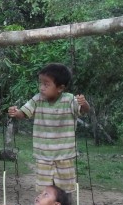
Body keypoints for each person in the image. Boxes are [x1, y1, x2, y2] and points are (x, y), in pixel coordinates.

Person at [8, 63, 90, 195]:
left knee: (65, 191)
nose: (41, 88)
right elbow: (24, 113)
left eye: (46, 84)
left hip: (65, 155)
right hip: (43, 155)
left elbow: (84, 110)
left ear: (60, 88)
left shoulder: (69, 100)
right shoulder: (37, 99)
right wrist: (16, 113)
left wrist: (83, 103)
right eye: (41, 84)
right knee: (44, 191)